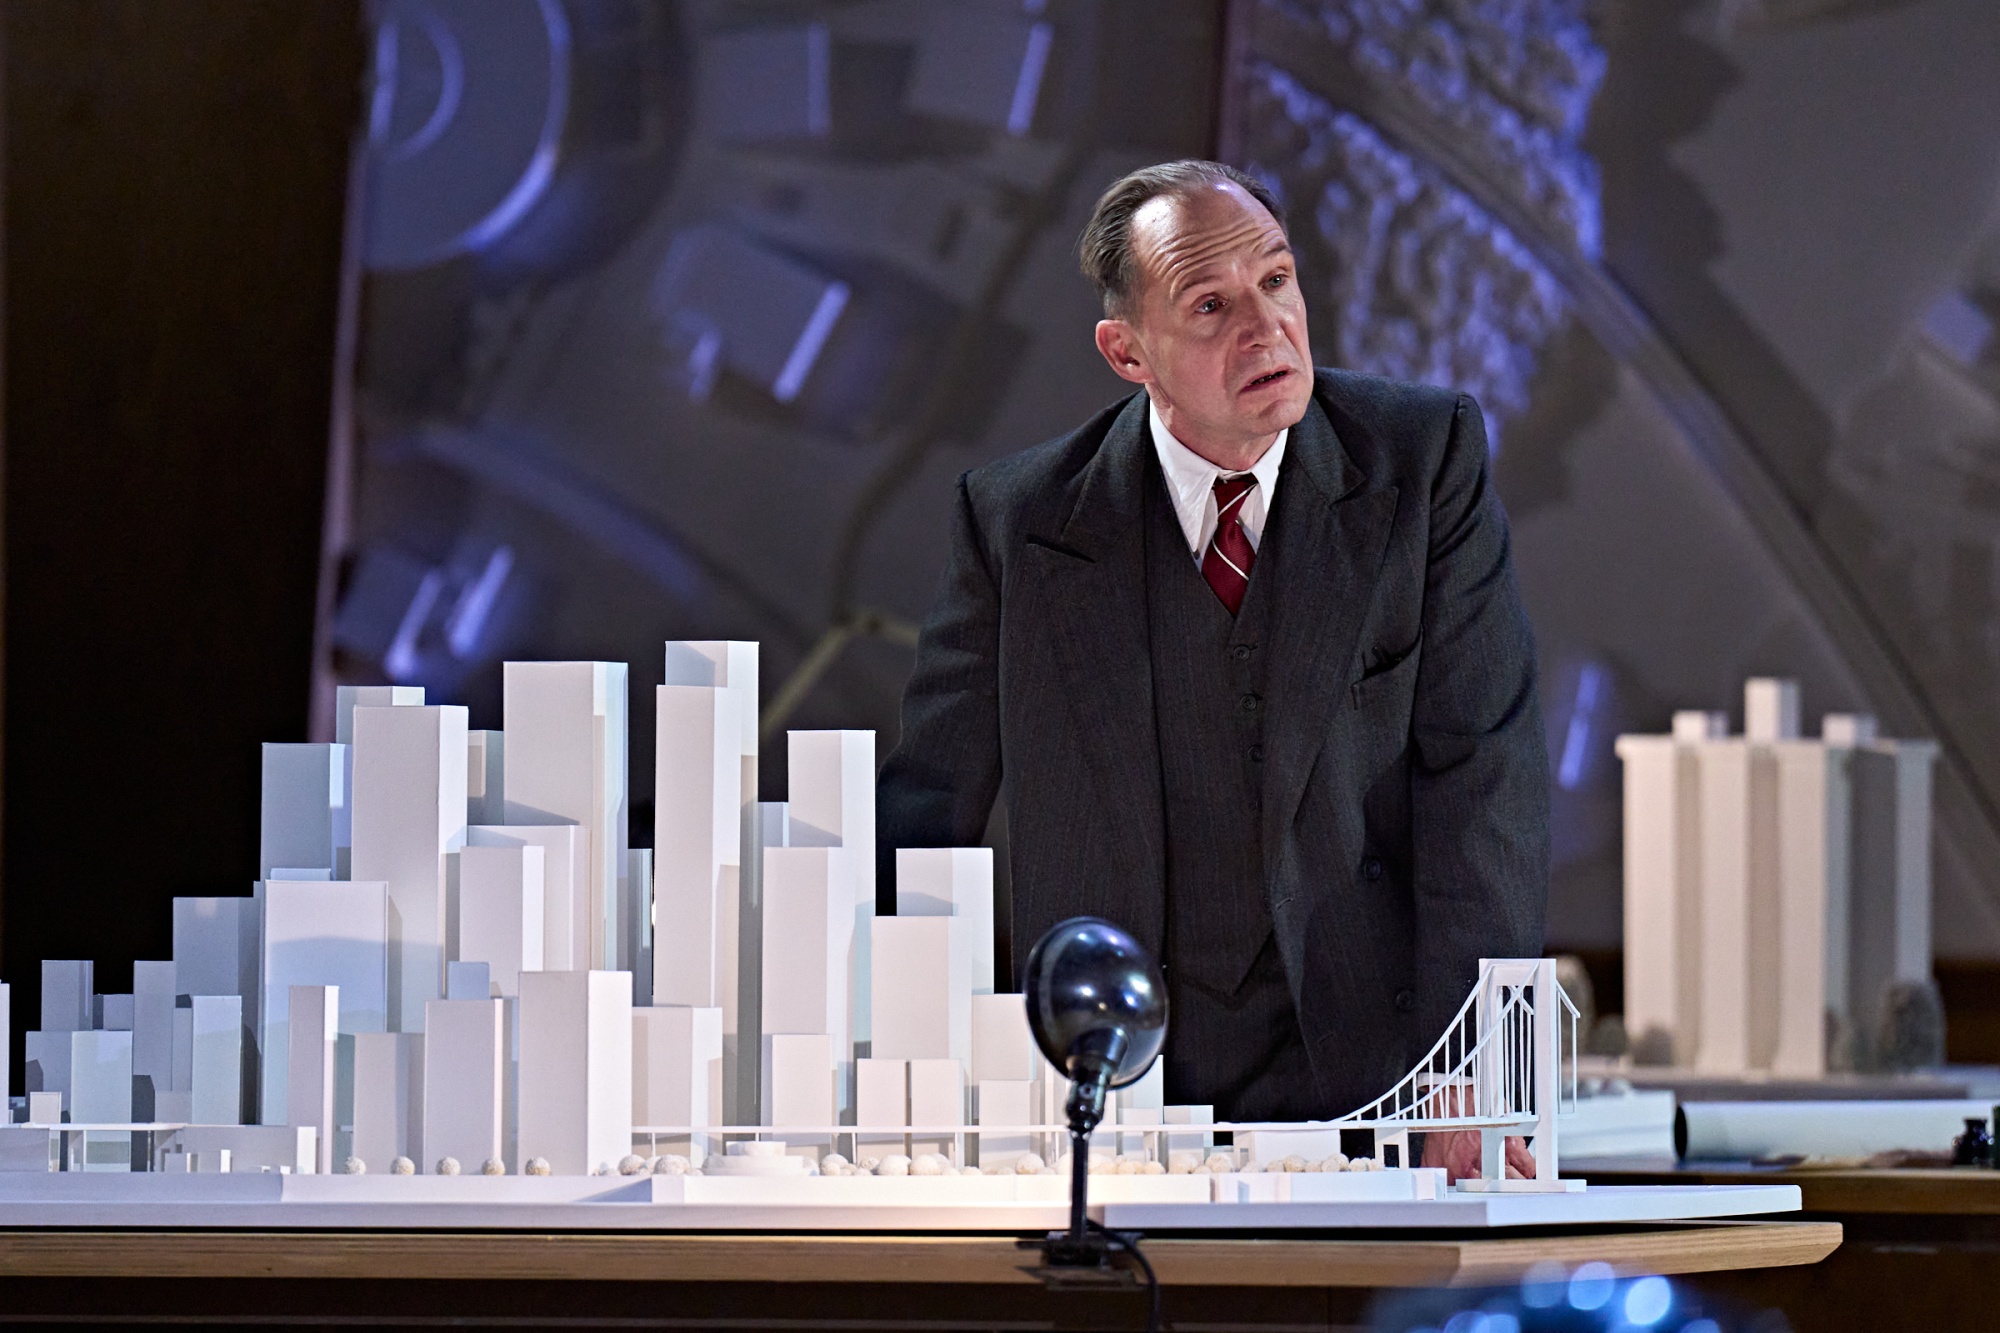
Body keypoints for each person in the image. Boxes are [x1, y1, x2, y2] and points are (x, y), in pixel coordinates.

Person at [876, 160, 1547, 1179]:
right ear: (1126, 351)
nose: (1266, 327)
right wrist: (857, 1063)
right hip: (1116, 1090)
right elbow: (929, 806)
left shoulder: (1422, 462)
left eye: (1276, 280)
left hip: (1380, 1079)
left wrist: (1468, 1067)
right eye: (1209, 305)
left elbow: (1484, 778)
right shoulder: (1019, 521)